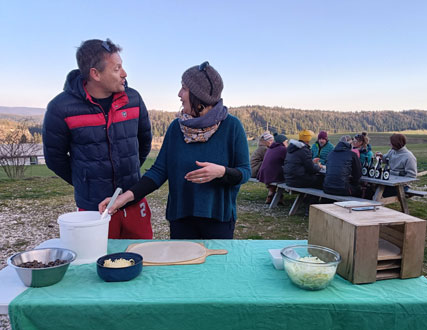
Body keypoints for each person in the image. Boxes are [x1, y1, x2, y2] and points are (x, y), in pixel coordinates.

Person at [99, 62, 251, 239]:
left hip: (218, 219)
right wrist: (123, 199)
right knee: (182, 266)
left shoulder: (232, 127)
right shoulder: (176, 128)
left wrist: (221, 172)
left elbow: (245, 172)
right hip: (181, 218)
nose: (179, 94)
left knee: (215, 266)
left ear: (200, 96)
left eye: (184, 89)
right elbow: (158, 171)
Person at [42, 38, 153, 239]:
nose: (124, 73)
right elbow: (54, 158)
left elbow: (144, 142)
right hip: (93, 209)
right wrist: (85, 181)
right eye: (117, 68)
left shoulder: (133, 99)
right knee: (98, 261)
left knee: (141, 258)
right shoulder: (60, 108)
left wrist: (130, 173)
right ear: (95, 74)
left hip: (134, 202)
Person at [257, 133, 288, 204]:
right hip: (272, 174)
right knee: (286, 176)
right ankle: (279, 197)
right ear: (282, 142)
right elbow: (288, 161)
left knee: (276, 172)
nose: (287, 143)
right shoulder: (282, 149)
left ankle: (271, 195)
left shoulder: (270, 148)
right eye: (286, 141)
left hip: (263, 173)